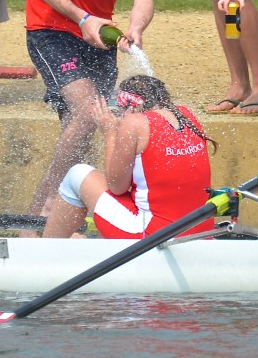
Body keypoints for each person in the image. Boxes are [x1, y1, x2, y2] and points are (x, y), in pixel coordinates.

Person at [25, 0, 158, 217]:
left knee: (81, 125)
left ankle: (63, 220)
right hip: (51, 26)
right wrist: (83, 17)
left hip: (99, 33)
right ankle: (40, 210)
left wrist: (136, 26)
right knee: (86, 114)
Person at [43, 75, 216, 239]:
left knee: (77, 174)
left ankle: (46, 252)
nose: (120, 115)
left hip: (151, 237)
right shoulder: (186, 114)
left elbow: (116, 187)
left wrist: (110, 131)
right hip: (200, 231)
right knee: (133, 196)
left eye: (121, 110)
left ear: (132, 106)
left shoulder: (134, 122)